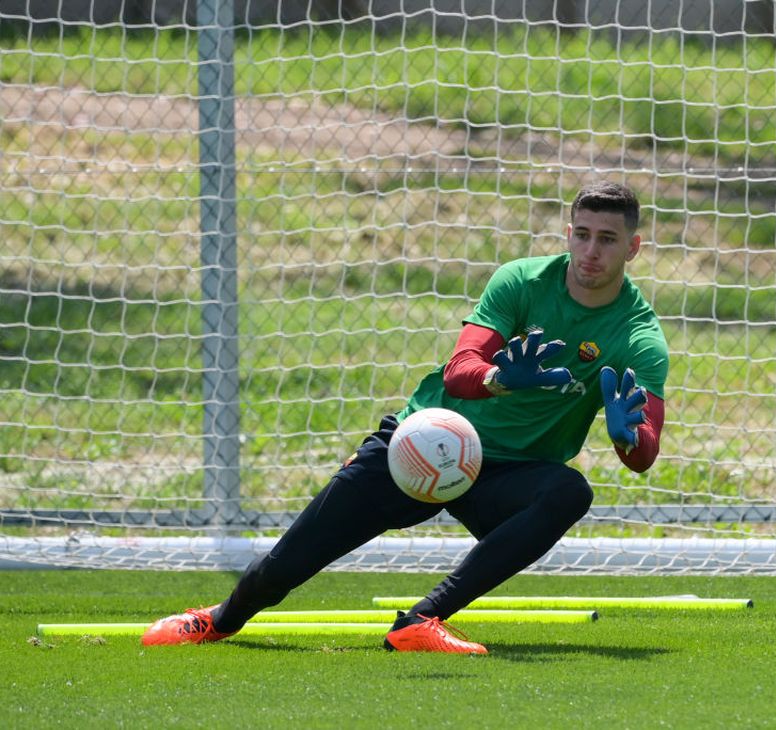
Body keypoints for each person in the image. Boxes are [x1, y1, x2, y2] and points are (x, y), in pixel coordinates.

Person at [142, 181, 669, 654]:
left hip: (508, 475)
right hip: (423, 442)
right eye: (582, 235)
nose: (591, 251)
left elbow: (645, 452)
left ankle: (421, 621)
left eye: (607, 239)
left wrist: (629, 437)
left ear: (633, 247)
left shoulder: (638, 335)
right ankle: (220, 619)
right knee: (288, 564)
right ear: (568, 234)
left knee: (569, 492)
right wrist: (499, 378)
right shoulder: (521, 282)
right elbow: (461, 369)